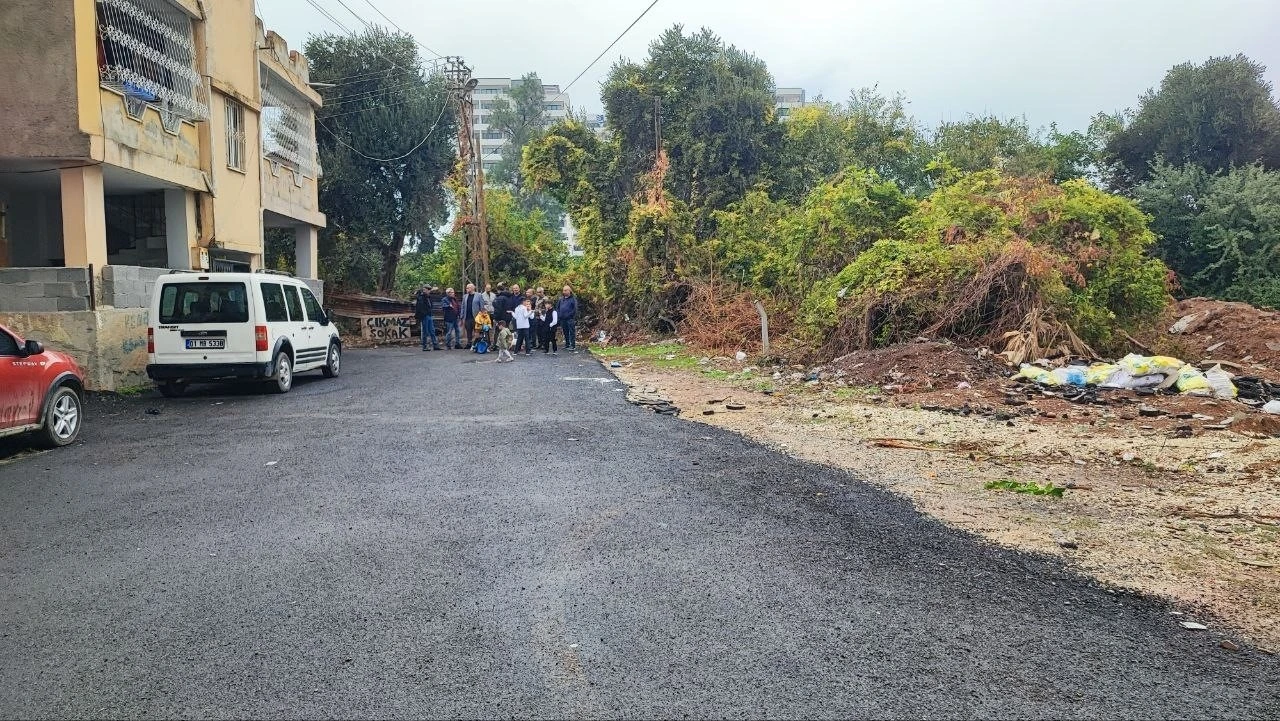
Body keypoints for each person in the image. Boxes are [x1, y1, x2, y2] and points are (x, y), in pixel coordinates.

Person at [413, 285, 439, 351]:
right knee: (425, 331)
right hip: (425, 316)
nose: (429, 291)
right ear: (425, 290)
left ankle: (435, 345)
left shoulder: (428, 297)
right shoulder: (421, 297)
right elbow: (420, 307)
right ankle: (425, 346)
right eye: (428, 289)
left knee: (432, 331)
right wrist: (423, 314)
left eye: (429, 289)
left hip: (429, 315)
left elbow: (430, 305)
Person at [556, 284, 578, 352]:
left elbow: (575, 309)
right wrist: (559, 315)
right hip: (562, 319)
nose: (564, 292)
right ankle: (567, 344)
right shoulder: (561, 299)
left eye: (565, 290)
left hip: (570, 319)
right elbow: (557, 308)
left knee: (571, 332)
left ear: (569, 291)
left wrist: (569, 315)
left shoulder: (573, 299)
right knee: (565, 332)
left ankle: (572, 345)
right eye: (563, 290)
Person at [461, 282, 483, 349]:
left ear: (472, 288)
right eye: (466, 288)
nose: (466, 289)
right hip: (467, 317)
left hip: (476, 317)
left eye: (468, 288)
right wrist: (462, 316)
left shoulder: (479, 295)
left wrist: (482, 316)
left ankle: (477, 344)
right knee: (468, 330)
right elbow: (462, 306)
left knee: (477, 331)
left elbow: (482, 306)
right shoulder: (465, 296)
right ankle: (469, 343)